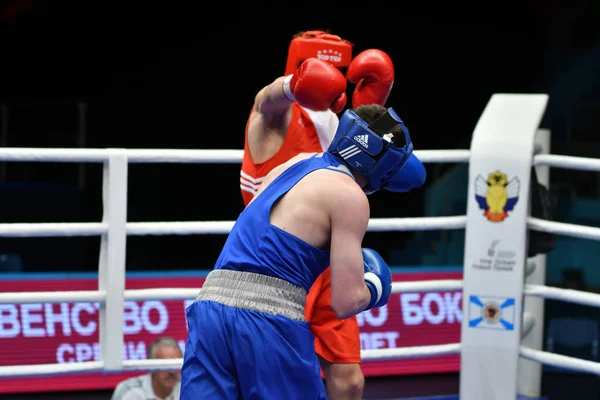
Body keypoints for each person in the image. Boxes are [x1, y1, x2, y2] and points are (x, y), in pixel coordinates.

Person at [181, 101, 423, 399]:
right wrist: (374, 287)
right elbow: (345, 302)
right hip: (268, 317)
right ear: (384, 164)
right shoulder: (350, 196)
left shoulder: (295, 163)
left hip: (210, 305)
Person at [238, 30, 425, 399]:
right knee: (278, 382)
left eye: (340, 68)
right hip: (275, 262)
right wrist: (292, 86)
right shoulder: (275, 116)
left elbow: (411, 175)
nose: (335, 76)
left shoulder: (344, 124)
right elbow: (265, 101)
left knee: (350, 380)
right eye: (325, 67)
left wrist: (376, 109)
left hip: (325, 265)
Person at [111, 337, 182, 400]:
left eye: (176, 365)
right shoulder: (128, 391)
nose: (172, 371)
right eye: (166, 365)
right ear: (151, 366)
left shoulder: (187, 387)